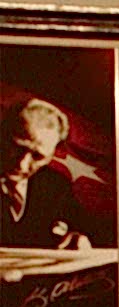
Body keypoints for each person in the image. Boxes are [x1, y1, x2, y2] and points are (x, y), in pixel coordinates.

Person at [0, 98, 93, 250]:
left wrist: (77, 238)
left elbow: (81, 229)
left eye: (38, 156)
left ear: (52, 154)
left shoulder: (56, 186)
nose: (22, 164)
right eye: (17, 148)